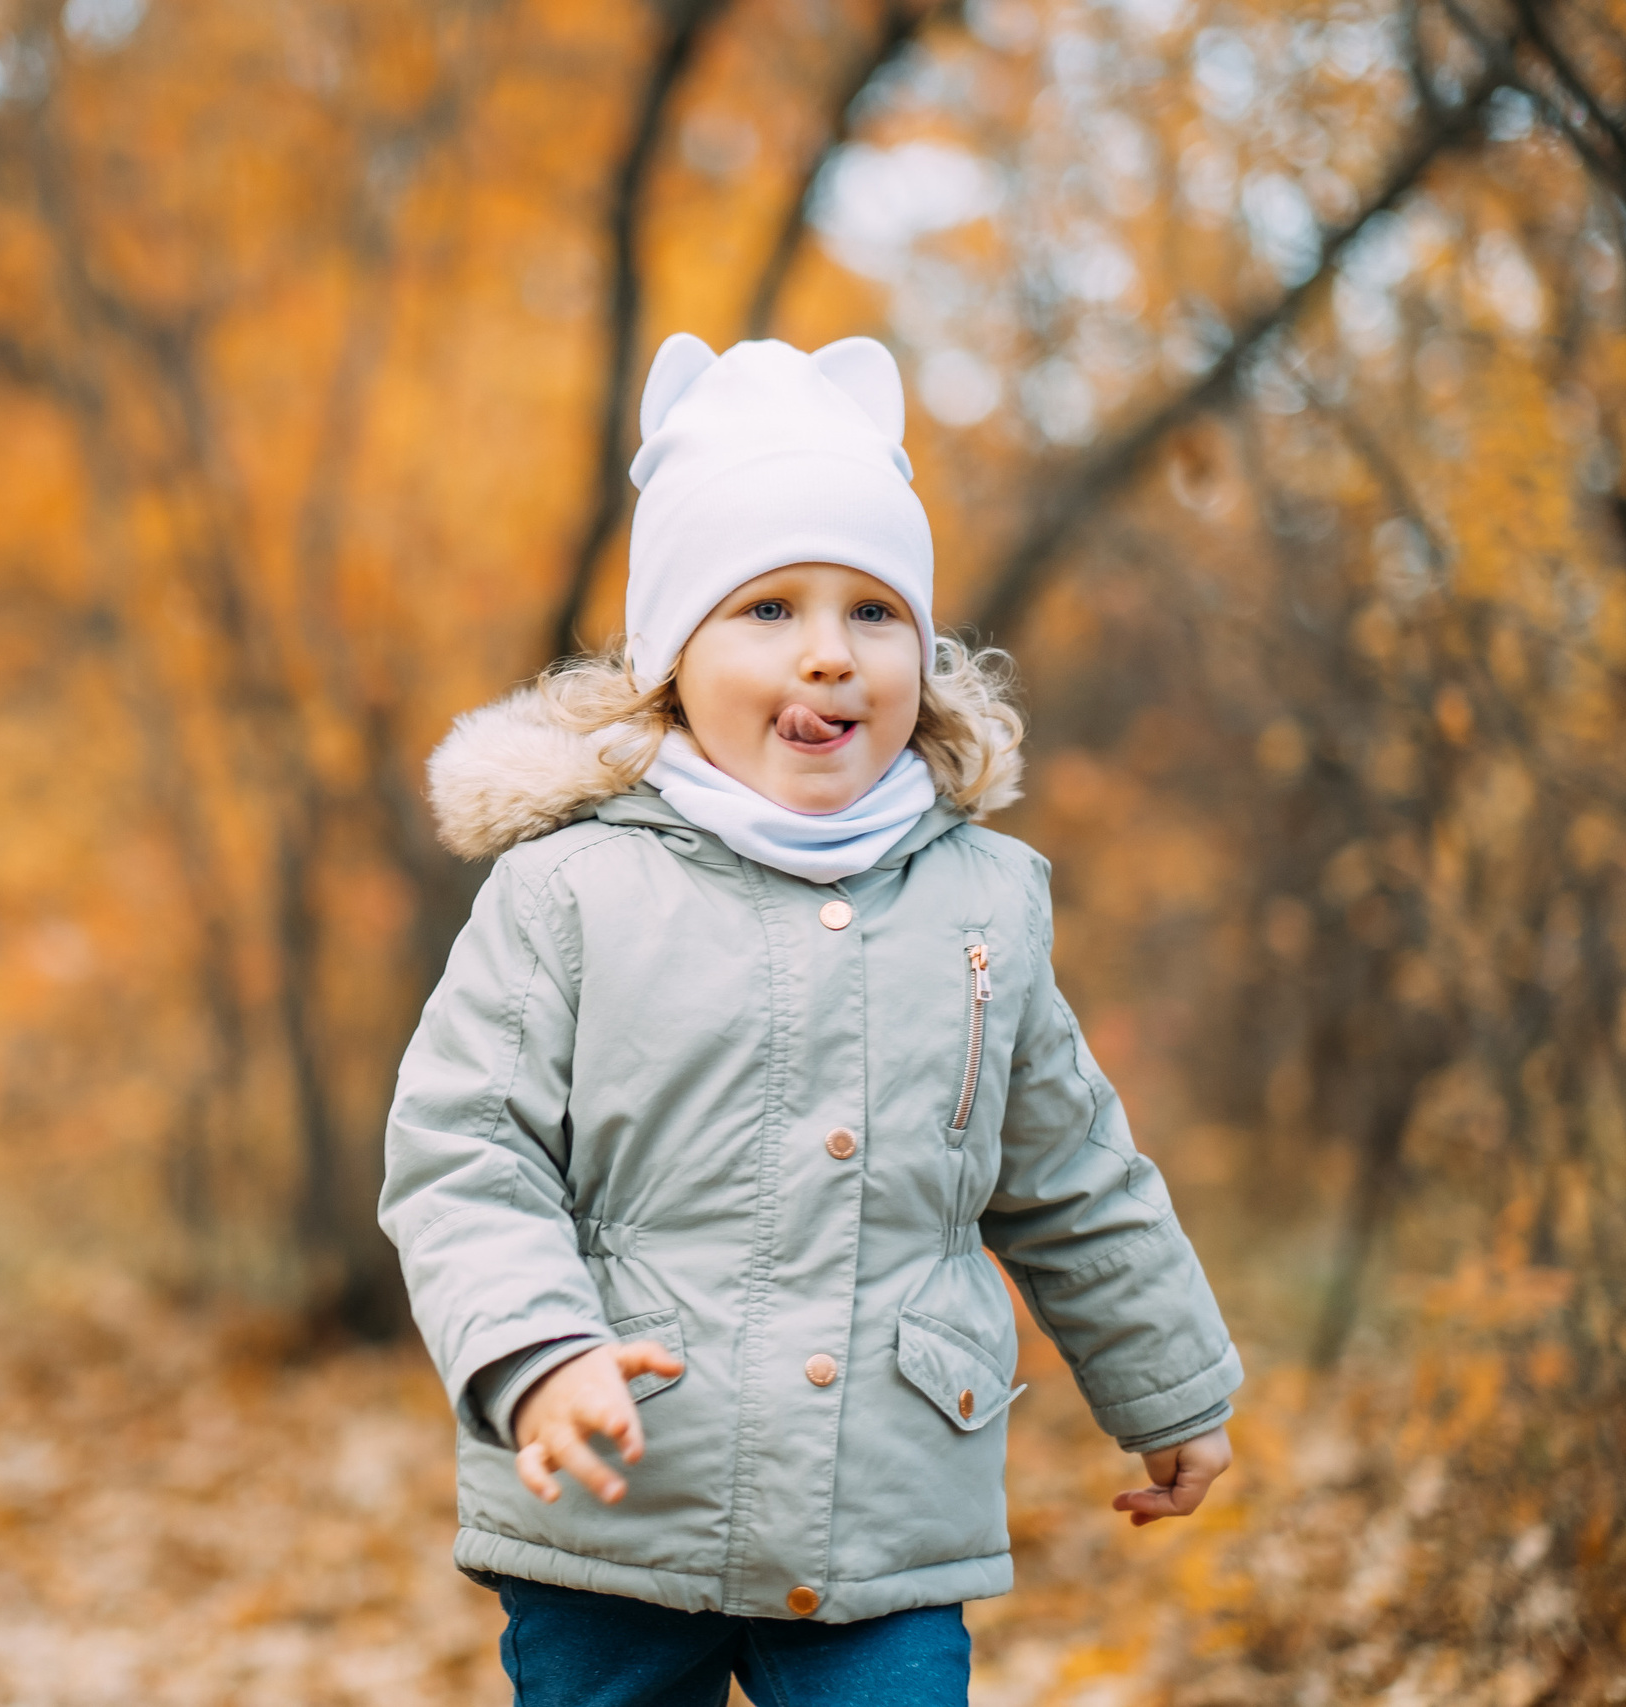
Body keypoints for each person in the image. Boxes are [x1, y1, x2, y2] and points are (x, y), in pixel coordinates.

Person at [382, 334, 1241, 1706]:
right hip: (620, 1502)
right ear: (673, 656)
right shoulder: (570, 890)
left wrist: (1173, 1387)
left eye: (874, 612)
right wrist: (538, 1356)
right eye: (769, 608)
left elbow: (1072, 1175)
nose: (830, 655)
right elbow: (463, 1154)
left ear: (924, 653)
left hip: (881, 1520)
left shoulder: (984, 904)